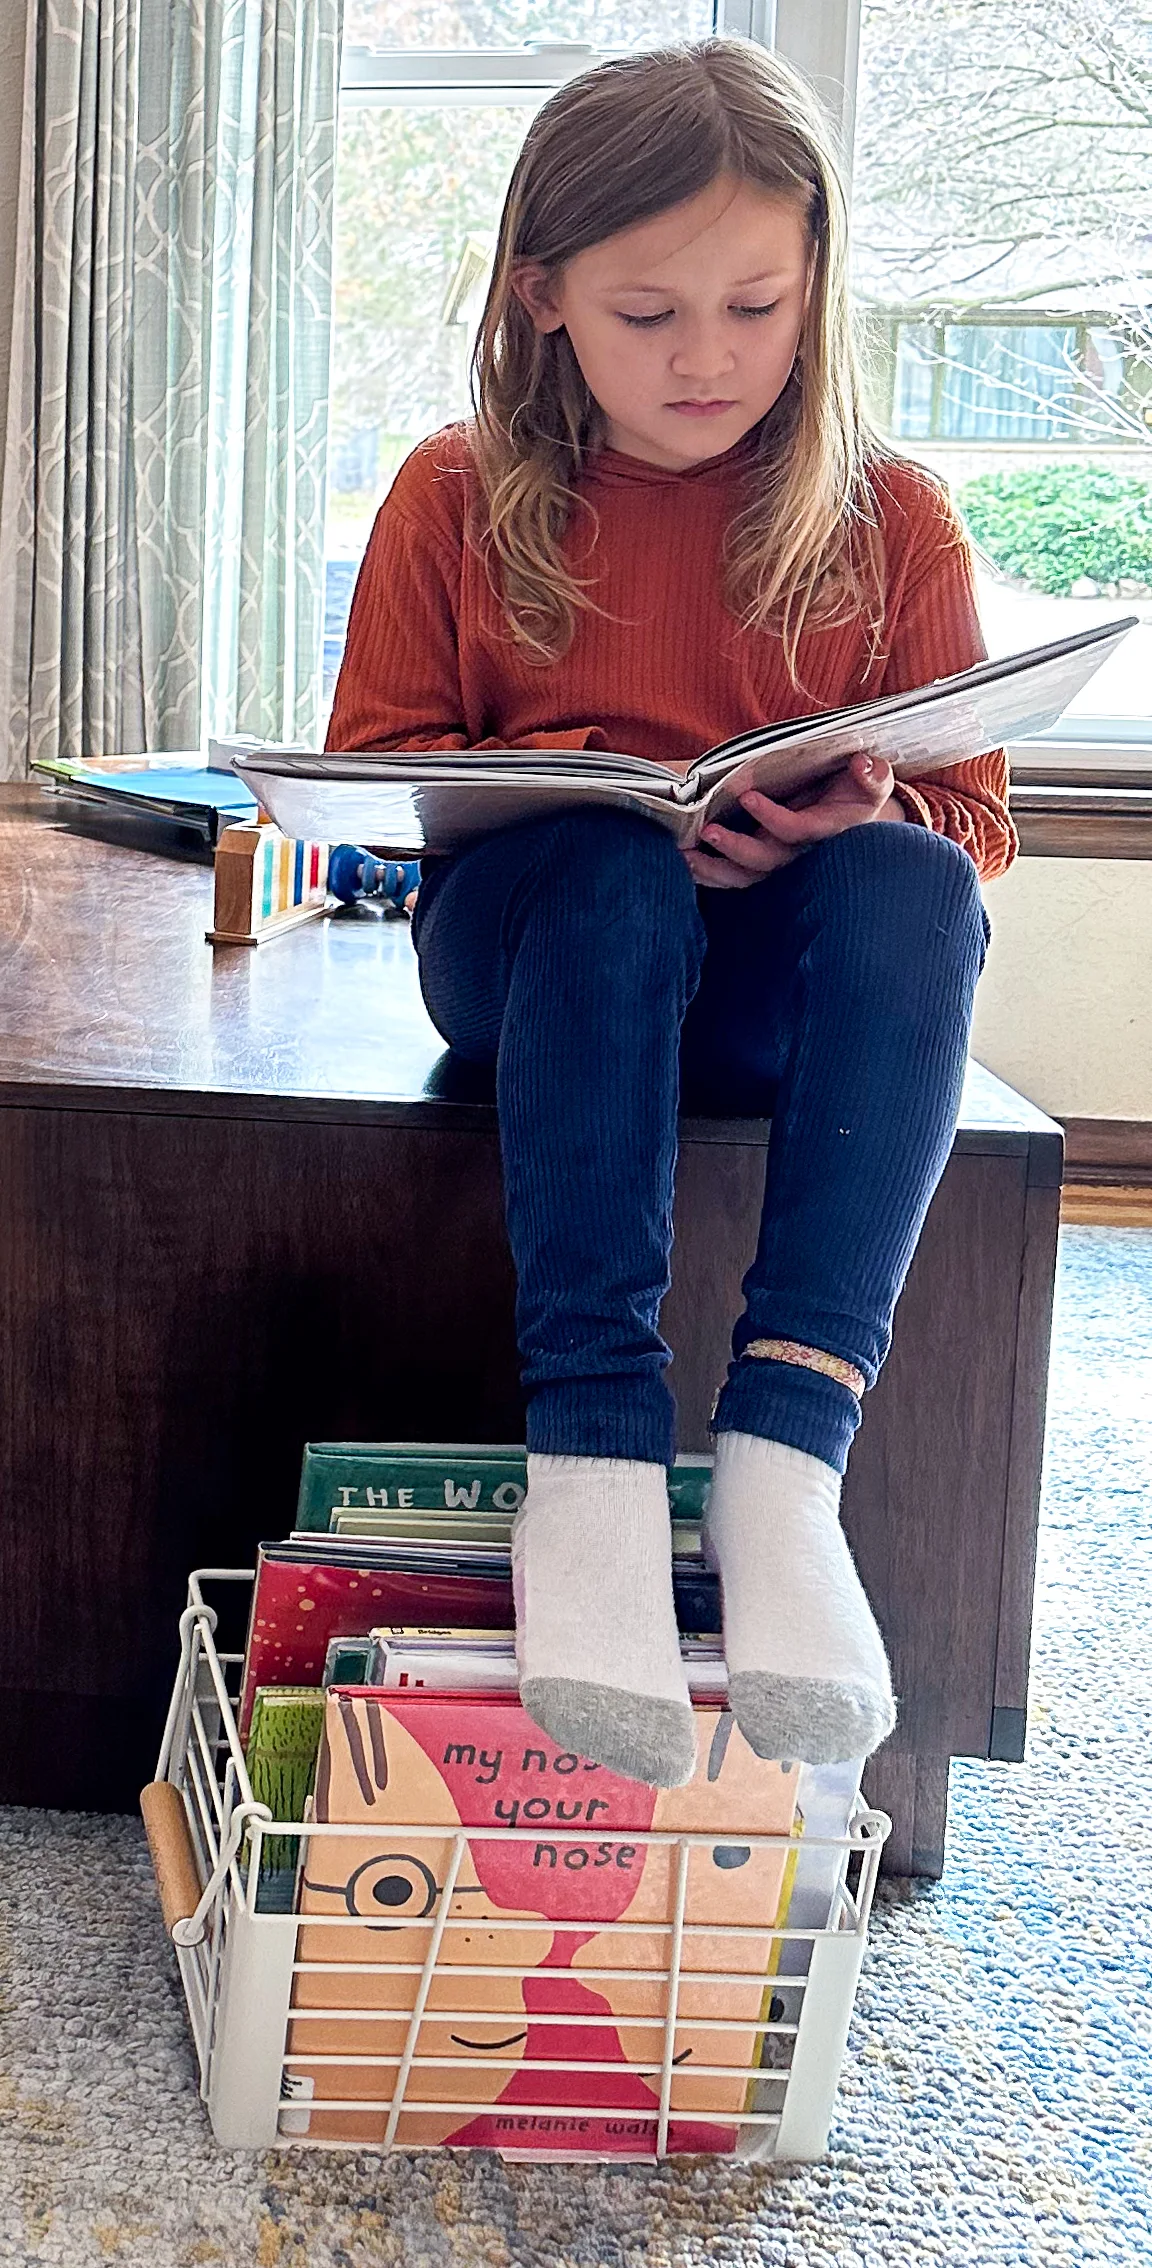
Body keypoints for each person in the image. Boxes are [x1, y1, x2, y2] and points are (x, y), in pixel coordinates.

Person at [325, 41, 1008, 1787]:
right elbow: (384, 780)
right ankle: (597, 1471)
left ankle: (788, 1464)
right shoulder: (453, 494)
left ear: (816, 287)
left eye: (756, 306)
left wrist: (843, 821)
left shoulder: (892, 520)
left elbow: (972, 828)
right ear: (542, 297)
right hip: (538, 952)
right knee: (616, 874)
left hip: (772, 973)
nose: (708, 359)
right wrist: (565, 781)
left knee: (911, 885)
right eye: (647, 314)